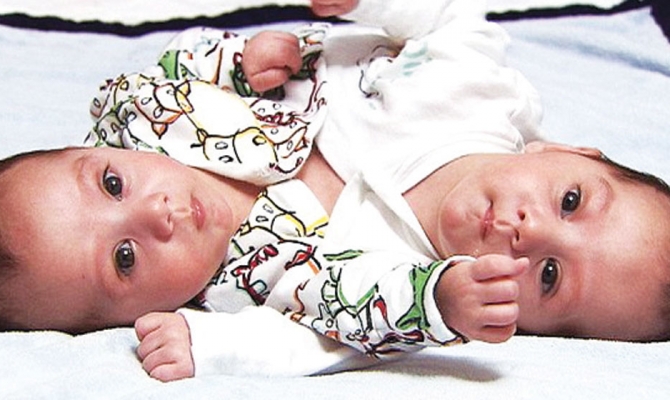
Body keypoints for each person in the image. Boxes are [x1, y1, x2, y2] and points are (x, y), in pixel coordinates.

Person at [1, 0, 669, 382]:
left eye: (548, 274)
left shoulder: (392, 269)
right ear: (568, 152)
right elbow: (449, 19)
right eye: (570, 201)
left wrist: (436, 301)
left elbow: (332, 331)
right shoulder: (473, 95)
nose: (531, 230)